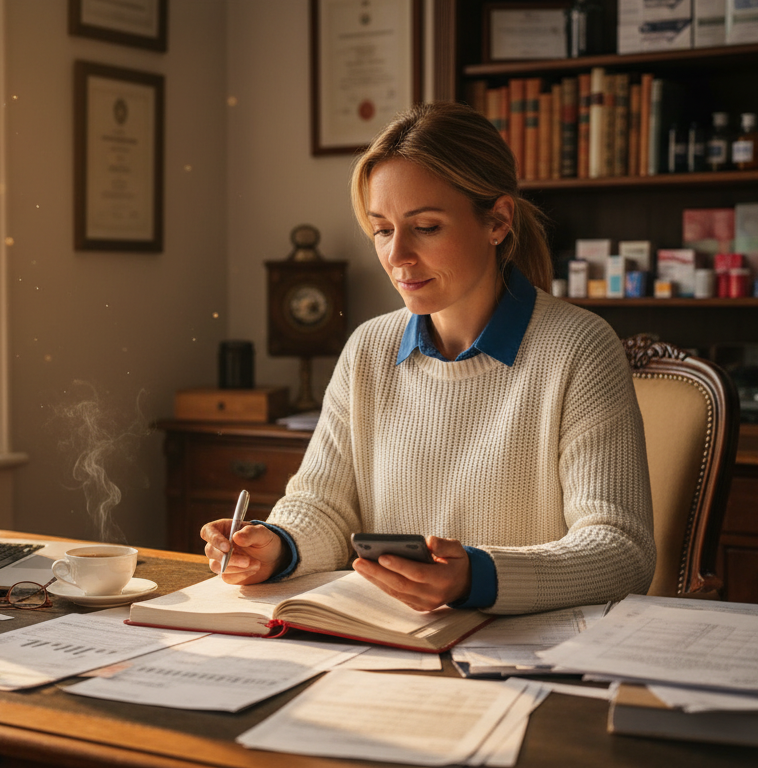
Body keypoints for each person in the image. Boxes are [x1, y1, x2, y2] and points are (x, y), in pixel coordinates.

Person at [201, 101, 654, 614]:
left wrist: (475, 579)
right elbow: (323, 507)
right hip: (389, 646)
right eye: (383, 229)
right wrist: (278, 546)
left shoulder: (580, 349)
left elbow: (621, 550)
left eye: (427, 227)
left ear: (498, 221)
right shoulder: (368, 349)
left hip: (528, 659)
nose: (396, 257)